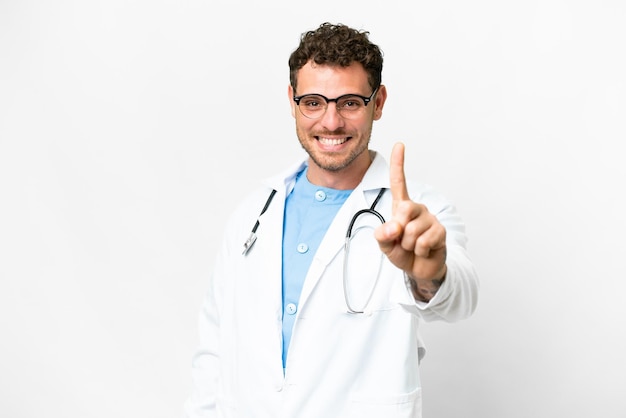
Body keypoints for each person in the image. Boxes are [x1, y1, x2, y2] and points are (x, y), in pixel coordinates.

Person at [183, 22, 479, 418]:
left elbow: (460, 298)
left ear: (378, 102)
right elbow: (213, 353)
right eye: (314, 102)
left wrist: (429, 275)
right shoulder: (253, 214)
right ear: (293, 100)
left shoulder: (418, 213)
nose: (331, 122)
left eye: (350, 102)